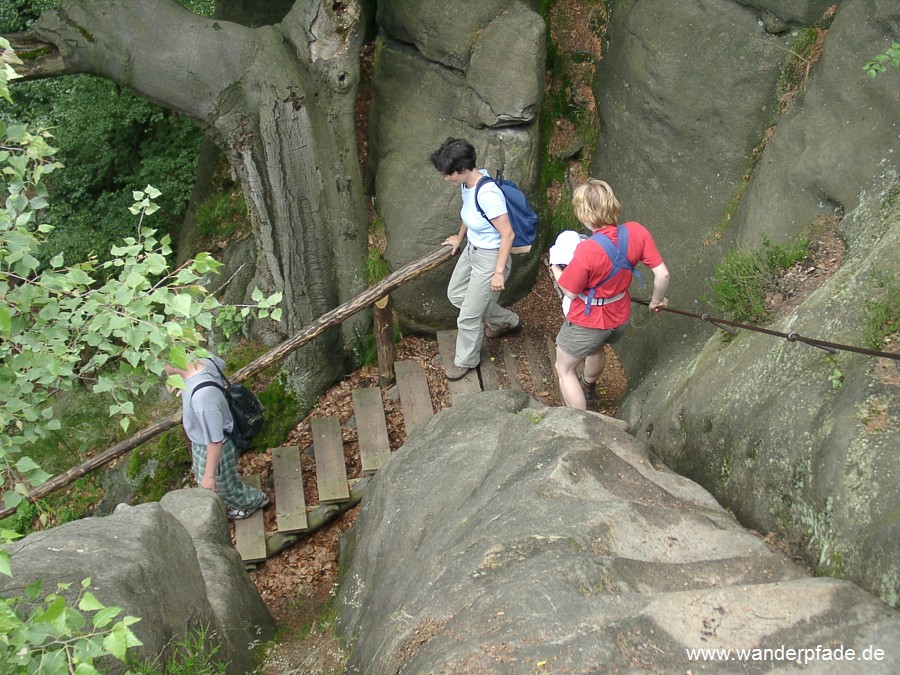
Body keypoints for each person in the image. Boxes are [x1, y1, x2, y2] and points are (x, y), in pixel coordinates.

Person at [551, 179, 670, 410]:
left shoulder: (587, 250)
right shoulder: (637, 231)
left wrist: (554, 266)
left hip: (589, 321)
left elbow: (570, 292)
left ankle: (580, 422)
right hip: (618, 316)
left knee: (564, 369)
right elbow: (663, 274)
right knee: (596, 347)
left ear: (584, 213)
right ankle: (589, 387)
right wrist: (656, 302)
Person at [429, 137, 521, 381]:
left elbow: (507, 233)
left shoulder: (488, 193)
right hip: (473, 250)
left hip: (491, 258)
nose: (446, 178)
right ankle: (506, 321)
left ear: (463, 169)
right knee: (456, 293)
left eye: (449, 173)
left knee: (468, 317)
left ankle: (466, 360)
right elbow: (468, 214)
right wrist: (459, 238)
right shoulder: (466, 185)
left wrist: (499, 272)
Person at [164, 355, 269, 520]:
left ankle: (254, 502)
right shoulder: (201, 357)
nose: (161, 371)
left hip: (216, 445)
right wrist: (178, 382)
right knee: (210, 478)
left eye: (162, 365)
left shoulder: (202, 399)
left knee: (223, 486)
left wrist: (209, 476)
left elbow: (215, 441)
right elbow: (221, 364)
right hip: (204, 438)